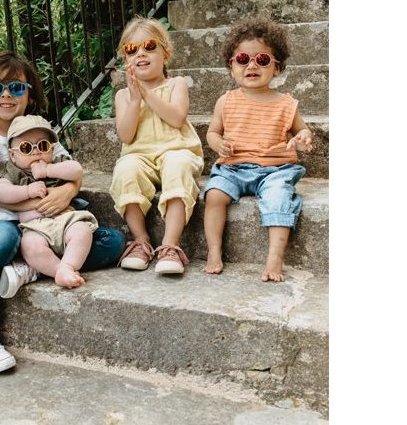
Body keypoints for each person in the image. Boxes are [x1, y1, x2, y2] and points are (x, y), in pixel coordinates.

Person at [0, 51, 125, 374]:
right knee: (1, 241)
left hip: (50, 222)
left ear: (30, 94)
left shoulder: (41, 132)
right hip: (4, 220)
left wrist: (68, 192)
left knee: (111, 241)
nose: (6, 95)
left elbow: (71, 171)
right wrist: (39, 197)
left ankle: (30, 269)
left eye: (16, 87)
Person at [202, 18, 314, 282]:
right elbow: (212, 132)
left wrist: (302, 138)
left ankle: (275, 257)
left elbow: (303, 130)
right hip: (233, 167)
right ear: (231, 67)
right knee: (214, 195)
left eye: (262, 60)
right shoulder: (225, 101)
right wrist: (217, 143)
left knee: (279, 199)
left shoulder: (286, 104)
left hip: (275, 169)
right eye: (243, 59)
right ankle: (214, 250)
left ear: (277, 68)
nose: (251, 65)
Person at [109, 17, 204, 275]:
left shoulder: (176, 84)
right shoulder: (123, 95)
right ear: (126, 60)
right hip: (139, 155)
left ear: (166, 54)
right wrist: (134, 100)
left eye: (149, 46)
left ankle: (170, 245)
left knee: (178, 166)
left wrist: (146, 94)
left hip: (176, 150)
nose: (141, 53)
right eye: (132, 49)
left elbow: (176, 118)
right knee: (125, 171)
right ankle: (141, 241)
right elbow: (126, 136)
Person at [0, 114, 98, 290]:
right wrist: (27, 191)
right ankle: (59, 271)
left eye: (43, 145)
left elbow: (77, 170)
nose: (36, 152)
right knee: (29, 247)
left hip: (65, 220)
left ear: (52, 149)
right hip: (35, 227)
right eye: (26, 147)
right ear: (13, 155)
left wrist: (48, 169)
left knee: (82, 232)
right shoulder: (13, 172)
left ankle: (67, 266)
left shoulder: (57, 164)